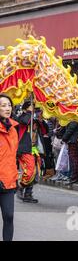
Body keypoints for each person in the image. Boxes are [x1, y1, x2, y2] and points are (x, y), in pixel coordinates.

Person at [0, 94, 19, 241]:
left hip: (8, 180)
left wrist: (15, 176)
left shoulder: (13, 129)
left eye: (9, 105)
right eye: (3, 105)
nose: (7, 108)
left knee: (9, 216)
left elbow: (12, 156)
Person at [16, 100, 40, 203]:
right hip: (25, 148)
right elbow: (25, 122)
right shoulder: (22, 117)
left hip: (36, 148)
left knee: (36, 173)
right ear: (26, 108)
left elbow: (45, 130)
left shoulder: (34, 119)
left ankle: (28, 193)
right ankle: (20, 186)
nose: (33, 108)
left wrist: (40, 119)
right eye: (31, 107)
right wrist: (29, 112)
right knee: (29, 170)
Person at [62, 120, 78, 185]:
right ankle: (77, 177)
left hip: (73, 140)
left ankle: (74, 177)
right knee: (75, 158)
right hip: (76, 139)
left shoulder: (75, 118)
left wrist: (64, 138)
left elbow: (71, 129)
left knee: (73, 159)